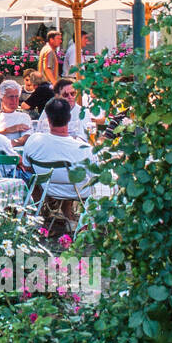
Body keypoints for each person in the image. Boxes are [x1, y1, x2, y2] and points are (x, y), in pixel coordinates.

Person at [20, 97, 99, 238]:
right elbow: (95, 177)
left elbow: (27, 167)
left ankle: (50, 216)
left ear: (48, 119)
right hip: (79, 192)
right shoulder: (83, 149)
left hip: (47, 189)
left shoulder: (34, 140)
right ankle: (86, 224)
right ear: (69, 118)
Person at [36, 79, 103, 141]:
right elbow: (38, 132)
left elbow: (83, 138)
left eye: (73, 94)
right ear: (57, 96)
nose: (70, 97)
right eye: (65, 95)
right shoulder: (49, 110)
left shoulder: (83, 112)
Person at [0, 80, 33, 147]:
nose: (15, 100)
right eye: (11, 97)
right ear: (2, 97)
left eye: (17, 96)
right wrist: (7, 130)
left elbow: (26, 138)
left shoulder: (23, 117)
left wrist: (7, 144)